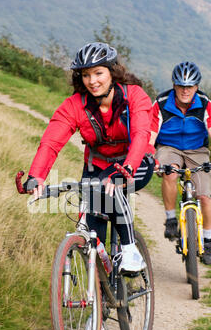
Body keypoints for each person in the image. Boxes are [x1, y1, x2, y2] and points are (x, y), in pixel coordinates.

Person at [24, 42, 155, 272]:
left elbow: (141, 133)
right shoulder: (75, 105)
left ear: (112, 72)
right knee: (94, 234)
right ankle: (101, 295)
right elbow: (51, 142)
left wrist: (126, 168)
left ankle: (130, 250)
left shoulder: (134, 96)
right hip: (97, 165)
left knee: (110, 184)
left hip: (137, 162)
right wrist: (36, 176)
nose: (92, 81)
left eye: (98, 73)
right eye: (86, 75)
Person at [151, 61, 211, 265]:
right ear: (174, 85)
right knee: (170, 172)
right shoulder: (161, 102)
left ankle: (208, 239)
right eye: (181, 85)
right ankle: (170, 219)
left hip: (197, 150)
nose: (185, 90)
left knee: (204, 195)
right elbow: (150, 134)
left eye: (190, 86)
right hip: (169, 147)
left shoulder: (204, 103)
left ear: (197, 86)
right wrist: (149, 156)